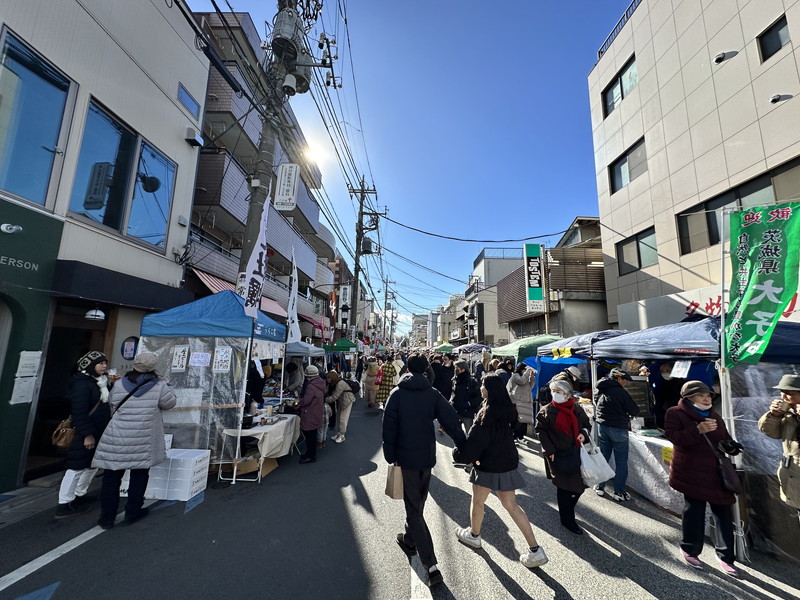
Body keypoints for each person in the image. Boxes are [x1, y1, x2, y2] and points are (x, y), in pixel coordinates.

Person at [382, 353, 466, 588]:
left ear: (408, 368)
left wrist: (390, 454)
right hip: (426, 458)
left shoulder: (397, 394)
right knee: (416, 504)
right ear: (426, 369)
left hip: (405, 459)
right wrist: (464, 446)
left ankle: (431, 565)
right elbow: (451, 420)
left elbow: (388, 427)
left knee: (414, 508)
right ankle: (410, 540)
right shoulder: (432, 394)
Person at [453, 373, 548, 568]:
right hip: (506, 463)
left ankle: (474, 535)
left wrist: (457, 453)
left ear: (489, 390)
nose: (480, 388)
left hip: (487, 465)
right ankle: (535, 549)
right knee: (512, 505)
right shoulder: (508, 410)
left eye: (483, 385)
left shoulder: (484, 416)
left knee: (478, 502)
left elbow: (471, 448)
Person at [92, 352, 176, 530]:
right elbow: (169, 404)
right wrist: (168, 385)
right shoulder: (159, 386)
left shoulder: (120, 383)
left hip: (118, 435)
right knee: (139, 473)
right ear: (153, 366)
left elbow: (113, 402)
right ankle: (133, 511)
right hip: (143, 436)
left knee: (111, 476)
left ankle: (106, 518)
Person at [665, 380, 739, 577]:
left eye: (708, 395)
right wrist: (697, 430)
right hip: (691, 471)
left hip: (716, 472)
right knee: (694, 511)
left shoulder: (714, 415)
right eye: (701, 395)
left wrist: (730, 445)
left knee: (723, 513)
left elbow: (723, 438)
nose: (706, 399)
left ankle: (726, 557)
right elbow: (674, 438)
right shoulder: (675, 413)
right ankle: (690, 549)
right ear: (688, 398)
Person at [55, 351, 114, 518]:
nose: (104, 366)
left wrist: (114, 384)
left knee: (92, 464)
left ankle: (80, 494)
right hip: (85, 431)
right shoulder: (82, 384)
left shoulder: (100, 382)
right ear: (89, 365)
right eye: (100, 363)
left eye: (105, 362)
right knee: (76, 467)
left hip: (99, 430)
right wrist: (87, 434)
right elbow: (79, 412)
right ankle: (64, 503)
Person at [535, 379, 591, 534]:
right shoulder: (547, 410)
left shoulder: (576, 409)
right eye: (554, 391)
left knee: (578, 488)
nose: (555, 394)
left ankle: (567, 512)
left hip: (575, 452)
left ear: (567, 395)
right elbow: (540, 431)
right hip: (557, 454)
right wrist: (549, 451)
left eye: (559, 392)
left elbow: (587, 425)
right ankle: (567, 520)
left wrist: (583, 434)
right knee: (564, 487)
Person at [758, 374, 800, 523]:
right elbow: (772, 432)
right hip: (793, 471)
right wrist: (774, 415)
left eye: (790, 393)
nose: (784, 396)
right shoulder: (789, 414)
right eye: (782, 392)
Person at [593, 368, 640, 501]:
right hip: (618, 429)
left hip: (602, 426)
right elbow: (635, 410)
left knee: (604, 457)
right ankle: (618, 491)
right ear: (618, 378)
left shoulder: (601, 388)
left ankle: (600, 486)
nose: (627, 383)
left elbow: (597, 403)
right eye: (625, 380)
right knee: (621, 462)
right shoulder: (620, 392)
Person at [298, 365, 326, 463]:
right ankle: (310, 454)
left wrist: (299, 402)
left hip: (309, 413)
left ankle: (310, 456)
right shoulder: (320, 383)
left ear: (309, 376)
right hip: (316, 412)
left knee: (309, 436)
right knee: (312, 435)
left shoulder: (310, 386)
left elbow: (306, 400)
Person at [450, 360, 480, 434]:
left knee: (469, 433)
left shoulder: (472, 382)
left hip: (467, 413)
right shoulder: (455, 380)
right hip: (456, 411)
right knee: (456, 433)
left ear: (463, 369)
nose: (455, 370)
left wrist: (469, 403)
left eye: (457, 368)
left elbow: (479, 397)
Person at [326, 370, 356, 443]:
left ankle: (342, 435)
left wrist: (323, 400)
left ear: (332, 378)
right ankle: (339, 433)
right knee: (339, 417)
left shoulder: (340, 384)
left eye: (329, 378)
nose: (328, 380)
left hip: (347, 401)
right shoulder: (337, 382)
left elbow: (334, 397)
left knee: (342, 418)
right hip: (342, 400)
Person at [508, 363, 536, 439]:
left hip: (525, 401)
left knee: (524, 420)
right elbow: (521, 381)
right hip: (518, 401)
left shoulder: (525, 377)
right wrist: (527, 373)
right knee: (518, 421)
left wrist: (532, 377)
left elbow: (530, 386)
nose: (525, 371)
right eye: (524, 369)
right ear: (521, 369)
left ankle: (521, 436)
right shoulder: (515, 375)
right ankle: (515, 436)